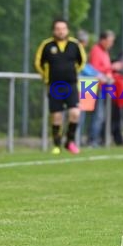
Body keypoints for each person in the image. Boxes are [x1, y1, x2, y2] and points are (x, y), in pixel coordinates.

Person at [34, 18, 86, 155]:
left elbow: (82, 61)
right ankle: (56, 144)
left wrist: (71, 72)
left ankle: (70, 141)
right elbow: (38, 63)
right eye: (58, 29)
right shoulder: (46, 45)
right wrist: (46, 77)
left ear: (67, 30)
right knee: (56, 116)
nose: (60, 31)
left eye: (63, 28)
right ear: (53, 30)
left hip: (71, 84)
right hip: (54, 85)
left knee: (75, 113)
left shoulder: (74, 45)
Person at [87, 29, 116, 147]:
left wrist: (110, 73)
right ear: (103, 40)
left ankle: (95, 139)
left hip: (103, 87)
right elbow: (94, 69)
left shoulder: (105, 52)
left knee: (101, 115)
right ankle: (92, 140)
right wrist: (108, 71)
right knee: (98, 115)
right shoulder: (96, 50)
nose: (111, 44)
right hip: (95, 87)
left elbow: (106, 68)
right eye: (110, 41)